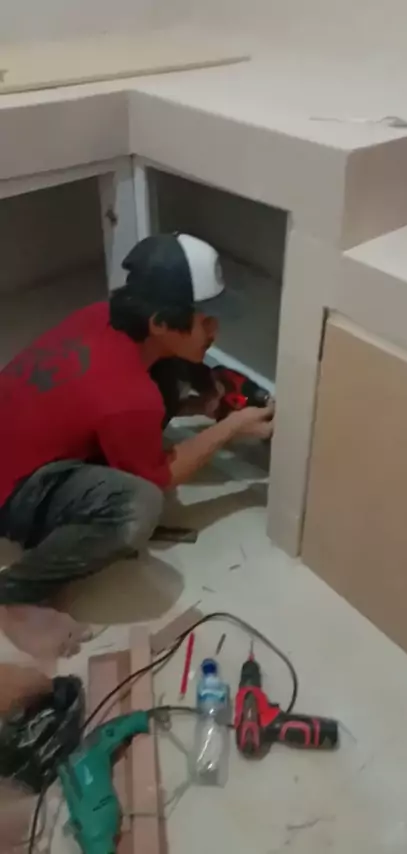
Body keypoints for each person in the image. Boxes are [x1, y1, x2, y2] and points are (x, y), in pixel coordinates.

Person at [0, 233, 274, 659]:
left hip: (16, 436)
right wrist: (230, 428)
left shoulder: (103, 316)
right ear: (161, 323)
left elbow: (111, 397)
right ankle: (15, 594)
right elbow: (160, 478)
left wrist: (196, 401)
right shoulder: (128, 395)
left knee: (169, 369)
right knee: (136, 506)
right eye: (205, 321)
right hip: (13, 492)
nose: (215, 331)